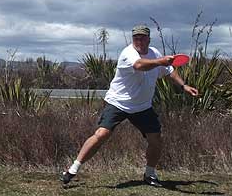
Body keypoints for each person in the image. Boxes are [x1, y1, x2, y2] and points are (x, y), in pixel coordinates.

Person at [60, 23, 199, 187]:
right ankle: (72, 170)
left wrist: (183, 86)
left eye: (142, 37)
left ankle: (150, 174)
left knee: (156, 140)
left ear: (149, 39)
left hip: (142, 107)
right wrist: (160, 61)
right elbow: (139, 65)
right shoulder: (128, 53)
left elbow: (169, 70)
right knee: (101, 134)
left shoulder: (155, 53)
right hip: (118, 103)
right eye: (136, 37)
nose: (139, 40)